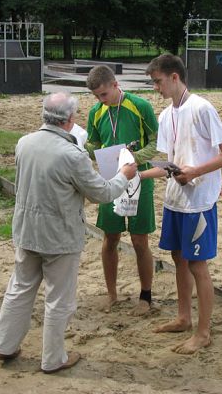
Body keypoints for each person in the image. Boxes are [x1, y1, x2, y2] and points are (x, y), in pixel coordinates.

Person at [0, 92, 137, 373]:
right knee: (59, 298)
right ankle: (53, 359)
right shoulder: (72, 154)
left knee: (19, 288)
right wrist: (124, 175)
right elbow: (101, 193)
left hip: (27, 229)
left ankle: (4, 344)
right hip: (58, 235)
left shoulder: (25, 143)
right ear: (70, 119)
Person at [142, 54, 222, 354]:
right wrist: (135, 175)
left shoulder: (202, 108)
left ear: (174, 77)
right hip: (176, 198)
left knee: (197, 263)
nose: (156, 88)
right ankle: (184, 317)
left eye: (158, 81)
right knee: (178, 258)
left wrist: (194, 171)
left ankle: (203, 332)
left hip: (199, 200)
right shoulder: (166, 115)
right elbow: (166, 163)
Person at [85, 65, 159, 315]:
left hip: (140, 178)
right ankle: (112, 295)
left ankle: (145, 296)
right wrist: (87, 148)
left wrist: (132, 158)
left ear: (115, 85)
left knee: (139, 240)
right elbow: (93, 142)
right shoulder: (96, 112)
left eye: (104, 95)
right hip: (110, 179)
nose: (100, 100)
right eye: (96, 96)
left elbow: (156, 142)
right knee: (110, 238)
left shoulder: (140, 106)